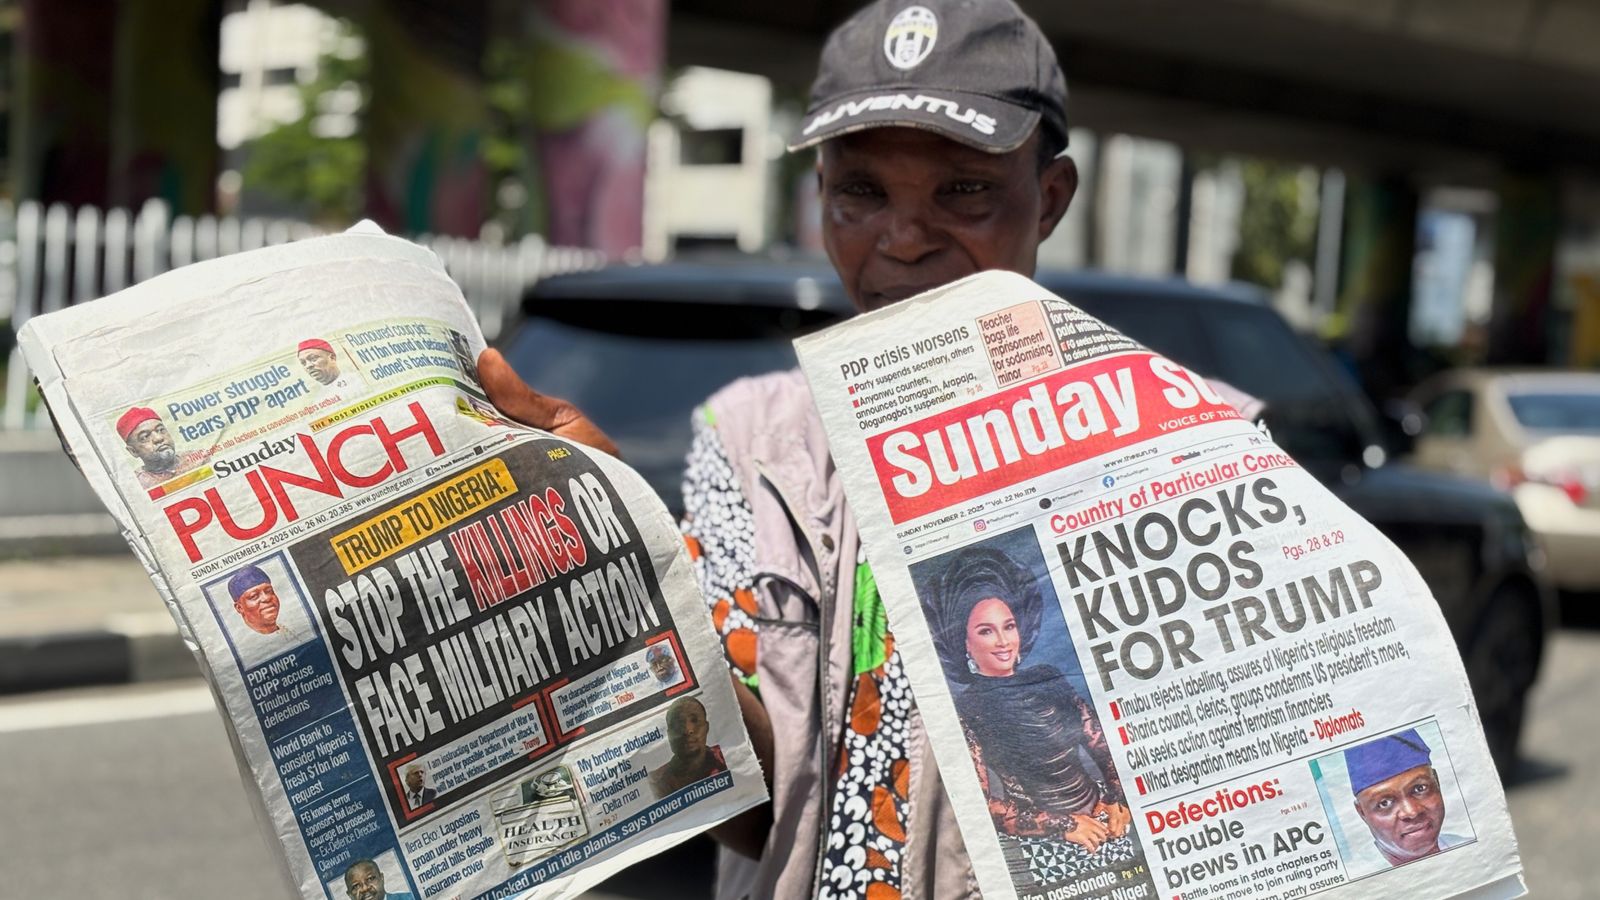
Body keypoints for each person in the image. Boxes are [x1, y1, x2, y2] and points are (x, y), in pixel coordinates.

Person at [477, 1, 1252, 896]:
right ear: (821, 194)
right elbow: (758, 809)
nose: (904, 239)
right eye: (863, 192)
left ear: (1049, 199)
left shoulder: (1190, 444)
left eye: (964, 190)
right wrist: (622, 572)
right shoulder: (751, 442)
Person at [929, 548, 1140, 879]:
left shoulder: (1048, 677)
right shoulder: (967, 709)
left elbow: (1100, 743)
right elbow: (979, 805)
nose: (1003, 641)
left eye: (1009, 626)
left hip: (1104, 814)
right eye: (986, 631)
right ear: (965, 643)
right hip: (1045, 839)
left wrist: (1116, 797)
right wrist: (1062, 825)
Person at [1345, 729, 1469, 867]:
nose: (1412, 812)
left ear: (1437, 783)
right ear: (1362, 813)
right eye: (1384, 803)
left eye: (1420, 789)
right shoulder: (1360, 873)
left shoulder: (1470, 848)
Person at [649, 696, 727, 798]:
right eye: (678, 723)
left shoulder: (726, 755)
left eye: (694, 720)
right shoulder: (655, 782)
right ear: (669, 734)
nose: (687, 730)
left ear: (706, 727)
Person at [117, 407, 208, 489]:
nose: (158, 438)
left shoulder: (199, 459)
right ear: (133, 451)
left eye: (161, 430)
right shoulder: (137, 484)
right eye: (145, 437)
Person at [342, 859, 415, 900]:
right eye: (356, 886)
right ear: (349, 895)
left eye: (370, 879)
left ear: (382, 878)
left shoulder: (411, 898)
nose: (365, 888)